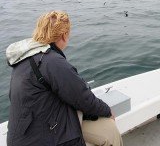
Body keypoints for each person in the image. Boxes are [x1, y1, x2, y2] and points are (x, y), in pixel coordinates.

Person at [6, 11, 123, 146]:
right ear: (64, 35)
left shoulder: (23, 59)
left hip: (20, 136)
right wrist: (108, 111)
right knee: (110, 129)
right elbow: (83, 98)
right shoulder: (53, 62)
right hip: (46, 139)